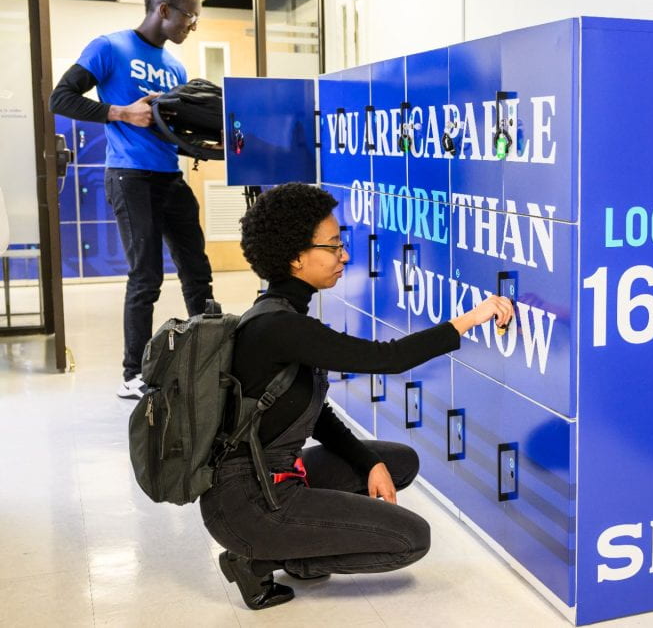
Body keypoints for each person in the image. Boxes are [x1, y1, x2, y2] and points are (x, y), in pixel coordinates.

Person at [202, 182, 513, 610]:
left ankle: (292, 541)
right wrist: (471, 318)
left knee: (397, 462)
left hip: (270, 474)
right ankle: (259, 558)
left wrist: (369, 463)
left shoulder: (279, 313)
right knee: (410, 538)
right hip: (247, 503)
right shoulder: (280, 327)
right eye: (333, 246)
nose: (344, 255)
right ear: (296, 257)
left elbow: (317, 416)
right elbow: (388, 358)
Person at [49, 0, 214, 400]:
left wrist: (201, 138)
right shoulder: (110, 47)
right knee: (146, 275)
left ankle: (212, 358)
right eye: (189, 17)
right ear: (164, 9)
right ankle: (133, 374)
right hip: (129, 174)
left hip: (170, 175)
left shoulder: (176, 66)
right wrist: (121, 112)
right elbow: (61, 98)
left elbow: (173, 126)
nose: (191, 25)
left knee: (197, 270)